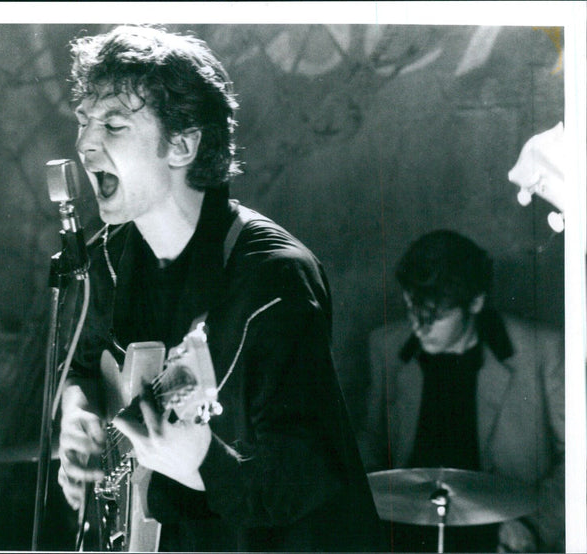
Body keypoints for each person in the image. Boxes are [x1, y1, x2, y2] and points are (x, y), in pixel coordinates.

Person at [54, 25, 384, 552]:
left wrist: (201, 463)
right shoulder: (106, 259)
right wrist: (78, 418)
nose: (85, 143)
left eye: (114, 124)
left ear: (182, 145)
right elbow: (80, 363)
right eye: (84, 121)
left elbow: (303, 479)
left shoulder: (275, 277)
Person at [358, 229, 564, 552]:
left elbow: (578, 460)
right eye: (412, 309)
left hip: (504, 539)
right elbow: (369, 451)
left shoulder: (542, 351)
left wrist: (534, 526)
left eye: (435, 316)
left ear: (476, 301)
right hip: (410, 534)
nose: (417, 327)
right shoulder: (386, 347)